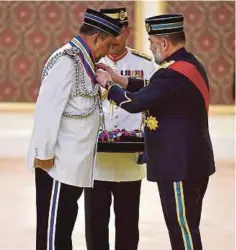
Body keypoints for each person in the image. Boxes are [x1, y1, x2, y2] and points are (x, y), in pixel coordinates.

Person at [96, 13, 215, 250]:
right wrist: (122, 80)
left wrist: (108, 84)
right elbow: (154, 90)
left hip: (178, 165)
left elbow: (135, 103)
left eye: (151, 42)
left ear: (164, 43)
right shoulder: (190, 64)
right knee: (187, 226)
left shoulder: (171, 73)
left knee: (182, 230)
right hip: (192, 162)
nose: (150, 48)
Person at [26, 8, 122, 250]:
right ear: (96, 38)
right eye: (108, 45)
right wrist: (44, 156)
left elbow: (80, 105)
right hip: (57, 165)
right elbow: (47, 110)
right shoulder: (67, 61)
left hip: (74, 166)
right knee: (53, 236)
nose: (109, 52)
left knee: (63, 231)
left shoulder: (84, 61)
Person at [84, 7, 156, 250]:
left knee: (127, 224)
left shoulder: (145, 65)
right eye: (108, 32)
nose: (113, 39)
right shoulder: (88, 62)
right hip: (95, 161)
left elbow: (153, 106)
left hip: (129, 159)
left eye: (118, 32)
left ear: (127, 31)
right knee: (95, 226)